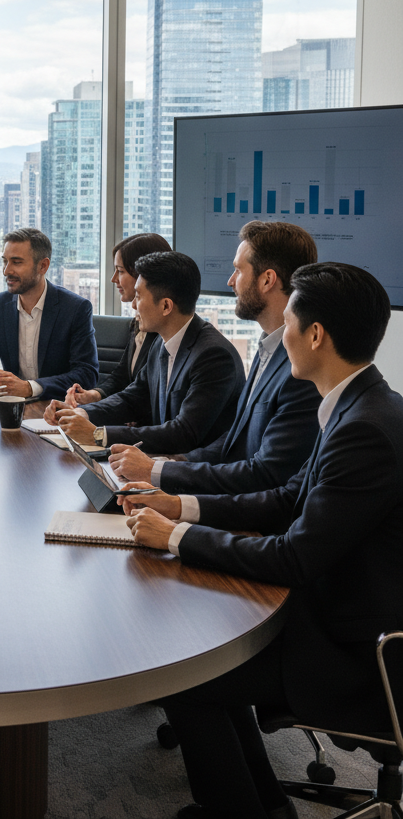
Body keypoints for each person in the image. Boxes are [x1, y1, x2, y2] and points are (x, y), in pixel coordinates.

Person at [119, 262, 403, 819]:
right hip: (340, 614)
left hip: (356, 652)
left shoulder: (363, 429)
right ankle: (265, 806)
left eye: (289, 321)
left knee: (186, 672)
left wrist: (176, 536)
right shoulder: (359, 403)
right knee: (202, 650)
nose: (281, 334)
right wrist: (180, 506)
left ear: (315, 335)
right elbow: (284, 498)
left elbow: (295, 556)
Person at [110, 221, 322, 494]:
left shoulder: (300, 370)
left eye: (238, 270)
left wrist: (159, 473)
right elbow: (234, 441)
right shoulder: (267, 349)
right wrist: (170, 463)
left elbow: (265, 475)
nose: (230, 281)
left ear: (267, 280)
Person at [45, 251, 244, 453]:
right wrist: (82, 413)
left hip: (192, 466)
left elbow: (183, 433)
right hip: (159, 459)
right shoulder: (161, 343)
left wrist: (100, 435)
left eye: (139, 296)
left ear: (166, 306)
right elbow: (133, 398)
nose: (133, 304)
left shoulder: (214, 356)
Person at [0, 227, 98, 400]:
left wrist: (30, 388)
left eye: (16, 262)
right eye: (5, 261)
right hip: (11, 406)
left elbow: (86, 374)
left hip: (56, 406)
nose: (6, 271)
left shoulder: (75, 308)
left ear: (43, 266)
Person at [64, 232, 171, 405]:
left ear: (143, 274)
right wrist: (94, 395)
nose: (114, 279)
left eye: (120, 271)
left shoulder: (163, 330)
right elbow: (122, 377)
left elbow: (144, 395)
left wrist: (91, 413)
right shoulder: (139, 321)